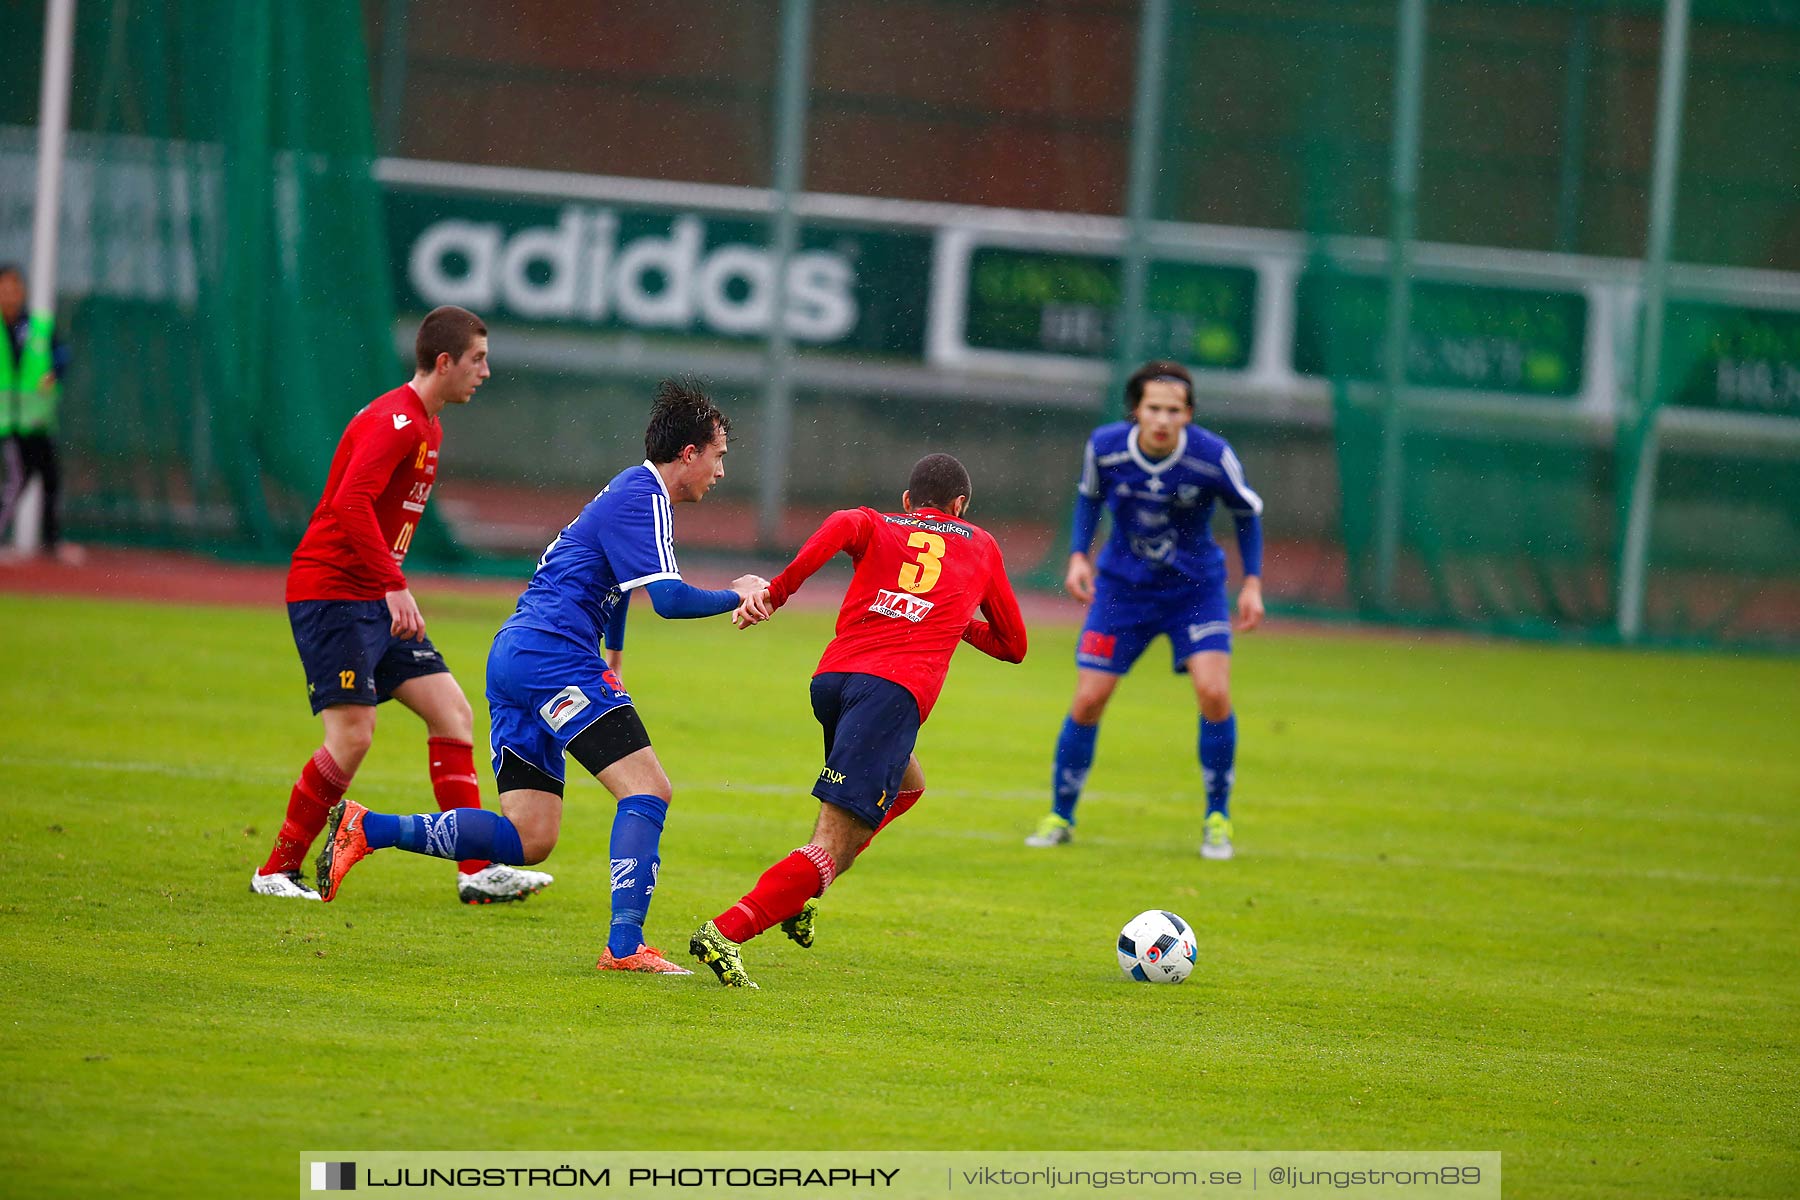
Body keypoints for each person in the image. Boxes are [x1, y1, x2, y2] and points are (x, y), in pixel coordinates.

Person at [317, 378, 767, 976]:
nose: (720, 470)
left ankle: (368, 828)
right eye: (719, 456)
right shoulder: (645, 494)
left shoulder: (632, 492)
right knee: (648, 790)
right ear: (689, 453)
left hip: (518, 656)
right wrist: (734, 593)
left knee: (530, 836)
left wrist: (614, 654)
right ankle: (626, 946)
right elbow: (668, 599)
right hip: (553, 657)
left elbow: (623, 584)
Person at [690, 453, 1028, 988]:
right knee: (833, 841)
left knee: (907, 789)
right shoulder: (981, 543)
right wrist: (955, 620)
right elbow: (1015, 647)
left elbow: (841, 523)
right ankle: (726, 931)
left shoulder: (876, 520)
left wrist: (776, 594)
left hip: (833, 682)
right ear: (960, 505)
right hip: (890, 693)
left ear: (907, 501)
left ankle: (800, 892)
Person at [253, 304, 551, 906]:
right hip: (334, 593)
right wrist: (393, 582)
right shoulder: (398, 422)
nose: (485, 372)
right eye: (477, 360)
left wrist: (386, 584)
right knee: (354, 736)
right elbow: (347, 505)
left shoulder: (428, 426)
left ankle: (475, 869)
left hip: (371, 593)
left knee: (453, 713)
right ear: (444, 362)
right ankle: (276, 869)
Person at [1025, 360, 1264, 859]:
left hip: (1194, 592)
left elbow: (1246, 514)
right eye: (1154, 408)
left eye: (1174, 410)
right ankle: (1060, 816)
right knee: (1088, 700)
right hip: (1121, 591)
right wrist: (1077, 557)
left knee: (1214, 691)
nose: (1162, 419)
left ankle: (1217, 817)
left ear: (1189, 415)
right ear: (1136, 410)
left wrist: (1252, 584)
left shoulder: (1213, 456)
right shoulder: (1106, 446)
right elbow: (1088, 500)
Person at [0, 263, 77, 562]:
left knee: (50, 478)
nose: (10, 295)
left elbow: (61, 354)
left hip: (37, 420)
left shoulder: (37, 327)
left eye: (14, 288)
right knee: (17, 480)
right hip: (7, 422)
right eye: (4, 289)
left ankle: (51, 542)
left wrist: (54, 373)